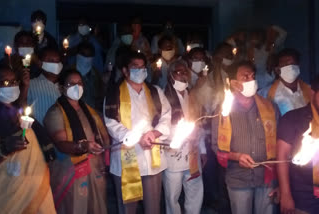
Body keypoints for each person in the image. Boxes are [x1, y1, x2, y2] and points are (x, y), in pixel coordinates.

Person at [104, 51, 171, 214]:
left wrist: (154, 134)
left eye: (142, 67)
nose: (140, 71)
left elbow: (166, 116)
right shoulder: (114, 94)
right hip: (126, 158)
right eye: (135, 67)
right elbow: (112, 124)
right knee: (127, 209)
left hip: (151, 160)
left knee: (153, 207)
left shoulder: (155, 92)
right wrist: (136, 138)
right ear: (125, 71)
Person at [211, 60, 279, 214]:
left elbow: (279, 140)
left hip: (266, 177)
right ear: (234, 83)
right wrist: (237, 156)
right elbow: (216, 146)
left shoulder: (270, 107)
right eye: (245, 77)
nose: (251, 81)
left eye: (253, 76)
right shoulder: (223, 111)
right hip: (238, 179)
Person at [44, 68, 110, 214]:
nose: (76, 87)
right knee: (75, 207)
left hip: (93, 166)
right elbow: (61, 144)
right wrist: (83, 145)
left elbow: (100, 134)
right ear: (61, 88)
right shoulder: (55, 113)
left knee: (96, 205)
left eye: (79, 83)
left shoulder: (88, 109)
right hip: (70, 169)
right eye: (71, 84)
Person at [0, 63, 56, 214]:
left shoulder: (15, 109)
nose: (11, 86)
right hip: (10, 186)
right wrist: (4, 148)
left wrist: (25, 86)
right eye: (5, 82)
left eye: (14, 82)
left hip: (34, 181)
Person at [163, 59, 206, 214]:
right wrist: (183, 133)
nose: (182, 76)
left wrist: (203, 149)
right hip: (173, 156)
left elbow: (199, 125)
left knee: (195, 192)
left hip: (193, 153)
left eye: (185, 72)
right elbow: (161, 126)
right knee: (172, 197)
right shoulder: (163, 96)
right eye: (178, 72)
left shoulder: (192, 96)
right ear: (170, 75)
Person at [277, 77, 319, 214]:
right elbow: (281, 157)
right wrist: (285, 194)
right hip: (304, 197)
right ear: (313, 93)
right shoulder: (292, 119)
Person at [259, 48, 311, 116]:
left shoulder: (310, 91)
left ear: (298, 67)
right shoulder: (265, 94)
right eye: (285, 65)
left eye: (292, 63)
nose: (289, 67)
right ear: (277, 70)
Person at [27, 47, 63, 124]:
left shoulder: (66, 86)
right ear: (40, 63)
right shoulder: (30, 84)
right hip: (39, 133)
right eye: (51, 61)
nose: (56, 64)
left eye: (58, 61)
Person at [71, 42, 104, 110]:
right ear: (77, 55)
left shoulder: (96, 74)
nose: (86, 59)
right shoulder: (69, 74)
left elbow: (100, 96)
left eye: (89, 55)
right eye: (83, 55)